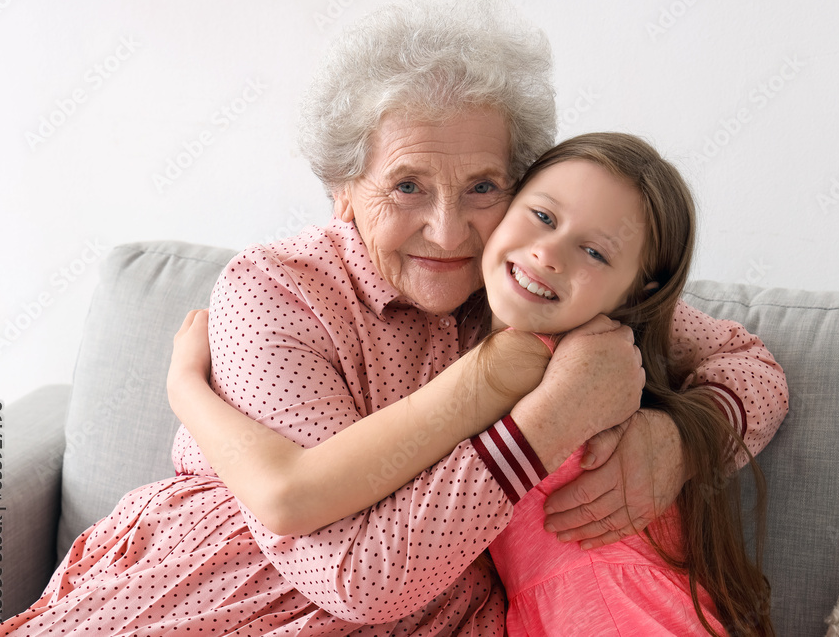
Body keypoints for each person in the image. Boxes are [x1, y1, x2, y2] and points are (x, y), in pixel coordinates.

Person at [0, 0, 786, 636]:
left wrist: (678, 439)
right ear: (341, 186)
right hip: (218, 598)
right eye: (407, 186)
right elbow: (359, 578)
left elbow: (750, 366)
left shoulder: (535, 275)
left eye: (483, 187)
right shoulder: (276, 292)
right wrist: (552, 412)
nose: (449, 231)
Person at [168, 132, 776, 636]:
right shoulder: (498, 305)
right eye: (542, 217)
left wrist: (680, 441)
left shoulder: (584, 333)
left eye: (593, 250)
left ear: (639, 291)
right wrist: (191, 396)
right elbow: (297, 495)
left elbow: (752, 365)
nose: (549, 255)